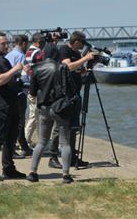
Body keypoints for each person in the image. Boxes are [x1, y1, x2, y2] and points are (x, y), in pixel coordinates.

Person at [26, 42, 75, 184]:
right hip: (60, 108)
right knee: (65, 143)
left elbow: (33, 92)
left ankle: (33, 172)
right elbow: (71, 88)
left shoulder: (36, 69)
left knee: (41, 141)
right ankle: (65, 175)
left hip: (44, 109)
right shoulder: (62, 67)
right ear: (57, 54)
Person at [49, 31, 95, 169]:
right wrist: (85, 58)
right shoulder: (64, 50)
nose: (83, 46)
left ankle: (72, 158)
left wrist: (85, 70)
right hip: (64, 95)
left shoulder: (76, 53)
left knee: (74, 127)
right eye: (81, 43)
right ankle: (53, 157)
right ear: (75, 42)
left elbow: (75, 71)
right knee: (59, 127)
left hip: (75, 93)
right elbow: (67, 67)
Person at [0, 32, 26, 181]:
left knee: (11, 138)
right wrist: (15, 69)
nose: (6, 46)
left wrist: (19, 80)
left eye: (7, 43)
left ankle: (8, 168)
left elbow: (10, 80)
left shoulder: (4, 60)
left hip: (12, 103)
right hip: (0, 105)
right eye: (3, 43)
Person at [5, 34, 33, 158]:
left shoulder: (8, 55)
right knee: (20, 121)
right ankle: (17, 147)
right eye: (26, 44)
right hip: (20, 92)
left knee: (15, 120)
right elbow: (25, 77)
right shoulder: (21, 56)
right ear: (23, 43)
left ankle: (23, 145)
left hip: (10, 91)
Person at [24, 33, 45, 148]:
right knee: (34, 116)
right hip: (36, 89)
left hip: (32, 88)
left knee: (34, 115)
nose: (44, 44)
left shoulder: (29, 52)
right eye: (42, 42)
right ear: (37, 42)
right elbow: (45, 58)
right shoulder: (36, 53)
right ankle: (24, 139)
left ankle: (25, 140)